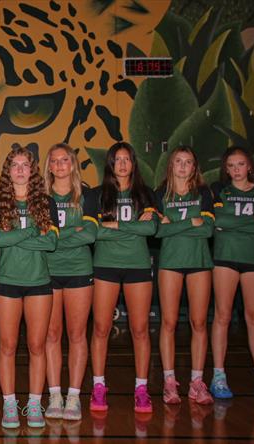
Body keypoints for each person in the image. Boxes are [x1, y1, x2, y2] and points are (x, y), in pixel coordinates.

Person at [209, 146, 254, 399]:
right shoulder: (219, 190)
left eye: (240, 164)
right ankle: (218, 376)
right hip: (225, 257)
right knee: (222, 316)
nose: (236, 170)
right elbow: (217, 220)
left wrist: (234, 222)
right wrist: (253, 221)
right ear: (226, 169)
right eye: (231, 166)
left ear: (249, 166)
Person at [89, 142, 157, 413]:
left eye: (127, 159)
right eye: (117, 159)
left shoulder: (145, 193)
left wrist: (113, 224)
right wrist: (134, 227)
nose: (122, 164)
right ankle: (98, 386)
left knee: (140, 329)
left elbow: (151, 229)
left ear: (133, 163)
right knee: (101, 328)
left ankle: (141, 388)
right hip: (105, 265)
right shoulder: (97, 195)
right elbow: (94, 231)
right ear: (110, 164)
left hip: (137, 266)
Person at [0, 146, 58, 429]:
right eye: (15, 165)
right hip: (7, 282)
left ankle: (34, 403)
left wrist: (15, 236)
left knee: (36, 346)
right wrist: (32, 231)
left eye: (25, 165)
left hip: (38, 283)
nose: (20, 170)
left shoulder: (46, 203)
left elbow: (51, 243)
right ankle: (9, 404)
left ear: (33, 171)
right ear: (8, 172)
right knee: (7, 347)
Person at [154, 146, 215, 405]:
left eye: (188, 162)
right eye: (178, 161)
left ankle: (196, 382)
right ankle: (169, 382)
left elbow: (208, 229)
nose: (182, 166)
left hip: (199, 262)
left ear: (194, 167)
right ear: (171, 165)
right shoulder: (160, 194)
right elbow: (158, 231)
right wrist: (192, 222)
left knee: (199, 323)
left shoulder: (204, 193)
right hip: (170, 263)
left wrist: (175, 226)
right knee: (168, 323)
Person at [42, 144, 97, 421]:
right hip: (47, 271)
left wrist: (56, 235)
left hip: (78, 270)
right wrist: (72, 231)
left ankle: (74, 396)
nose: (60, 165)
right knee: (51, 335)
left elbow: (90, 234)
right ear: (49, 166)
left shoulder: (87, 195)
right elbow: (41, 236)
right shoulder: (41, 198)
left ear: (73, 164)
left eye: (65, 160)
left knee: (77, 335)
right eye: (54, 161)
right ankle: (54, 394)